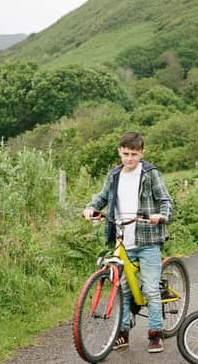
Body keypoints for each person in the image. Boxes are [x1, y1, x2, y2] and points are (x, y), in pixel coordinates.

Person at [82, 132, 173, 353]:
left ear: (142, 153)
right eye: (125, 154)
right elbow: (102, 197)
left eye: (134, 154)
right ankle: (122, 332)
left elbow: (166, 201)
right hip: (123, 240)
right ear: (119, 152)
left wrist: (161, 216)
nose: (129, 158)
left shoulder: (150, 174)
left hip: (148, 239)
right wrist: (91, 207)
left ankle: (155, 333)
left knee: (151, 289)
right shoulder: (114, 174)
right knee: (121, 288)